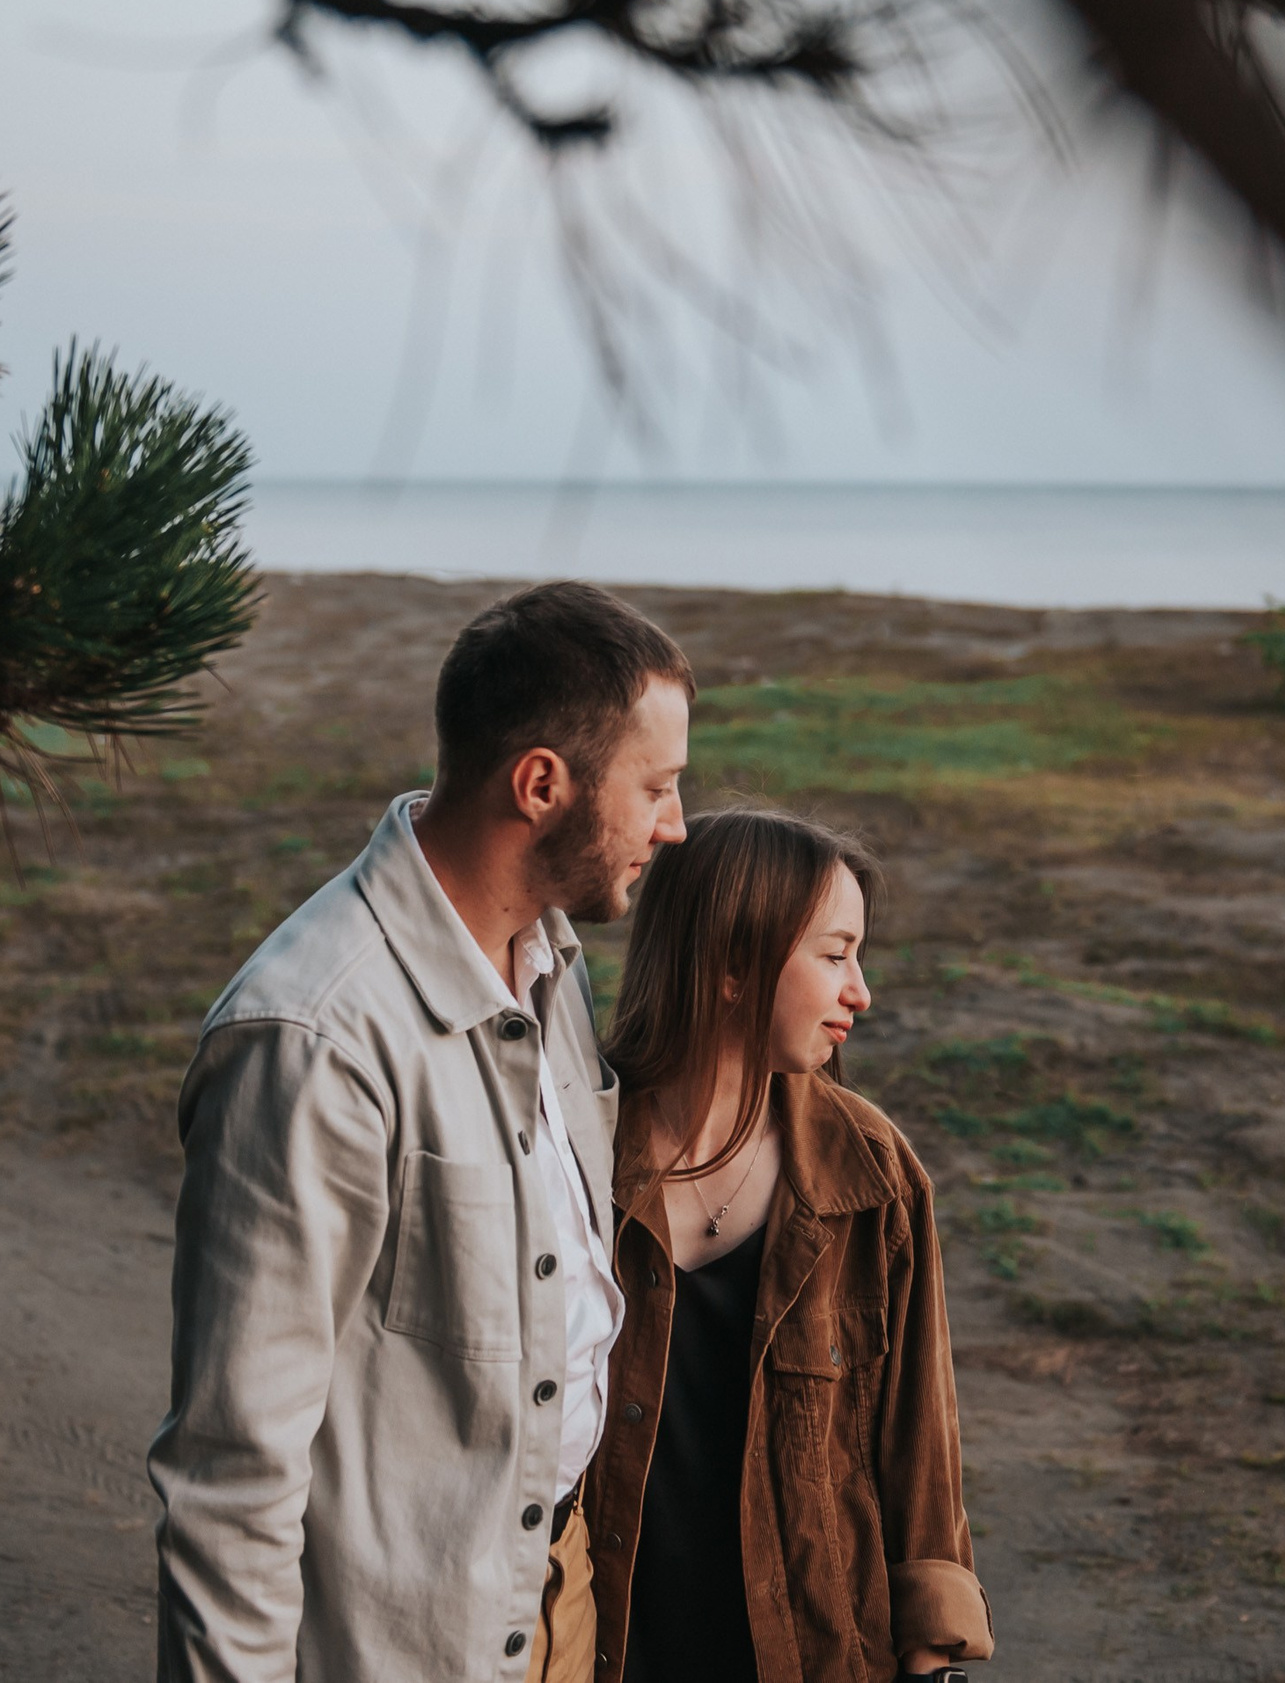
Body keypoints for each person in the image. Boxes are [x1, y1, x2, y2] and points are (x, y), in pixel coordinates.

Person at [149, 582, 692, 1683]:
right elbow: (232, 1473)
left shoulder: (550, 961)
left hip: (556, 1595)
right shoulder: (313, 1041)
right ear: (541, 783)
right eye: (658, 786)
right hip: (405, 1650)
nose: (673, 824)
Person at [582, 809, 993, 1683]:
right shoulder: (572, 1154)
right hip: (600, 1651)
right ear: (734, 963)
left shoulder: (871, 1176)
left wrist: (934, 1661)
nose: (862, 991)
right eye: (836, 954)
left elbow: (921, 1459)